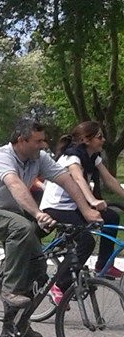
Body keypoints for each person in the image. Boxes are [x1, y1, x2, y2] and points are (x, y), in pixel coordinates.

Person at [0, 119, 101, 337]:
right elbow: (16, 186)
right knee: (23, 227)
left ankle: (19, 322)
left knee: (39, 264)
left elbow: (67, 181)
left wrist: (87, 210)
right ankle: (10, 290)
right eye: (38, 141)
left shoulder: (39, 158)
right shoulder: (2, 156)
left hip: (11, 213)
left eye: (44, 140)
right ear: (22, 140)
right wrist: (38, 215)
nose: (44, 145)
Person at [39, 121, 124, 304]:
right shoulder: (72, 157)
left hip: (74, 205)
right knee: (86, 240)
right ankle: (58, 285)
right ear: (86, 139)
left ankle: (104, 264)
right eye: (99, 137)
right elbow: (78, 179)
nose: (103, 140)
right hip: (56, 207)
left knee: (112, 217)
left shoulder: (93, 157)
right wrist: (92, 201)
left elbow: (110, 180)